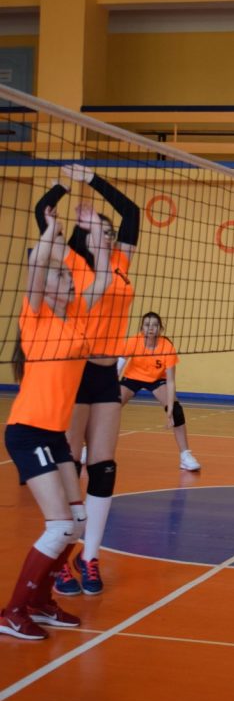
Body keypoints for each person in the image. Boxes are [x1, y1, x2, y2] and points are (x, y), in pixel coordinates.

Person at [1, 205, 111, 640]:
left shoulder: (78, 317)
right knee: (60, 525)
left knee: (78, 523)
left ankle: (42, 602)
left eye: (68, 274)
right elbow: (35, 267)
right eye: (60, 275)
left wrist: (96, 232)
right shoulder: (36, 316)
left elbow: (103, 278)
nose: (68, 278)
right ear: (45, 288)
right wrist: (52, 232)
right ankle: (12, 611)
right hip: (28, 430)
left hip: (55, 436)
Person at [34, 164, 140, 597]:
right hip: (74, 370)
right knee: (69, 464)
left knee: (104, 466)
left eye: (110, 231)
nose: (108, 234)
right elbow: (42, 210)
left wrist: (92, 178)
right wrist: (65, 183)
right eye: (100, 228)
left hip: (106, 373)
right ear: (85, 233)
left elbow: (132, 212)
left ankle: (89, 557)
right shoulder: (72, 262)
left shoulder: (121, 262)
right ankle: (61, 560)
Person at [118, 312, 201, 472]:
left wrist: (169, 409)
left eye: (155, 325)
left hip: (157, 380)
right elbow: (119, 364)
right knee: (109, 407)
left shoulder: (167, 347)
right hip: (132, 377)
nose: (151, 328)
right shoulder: (133, 341)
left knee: (176, 411)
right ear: (142, 328)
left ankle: (185, 456)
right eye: (147, 325)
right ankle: (92, 449)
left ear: (160, 329)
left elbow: (170, 381)